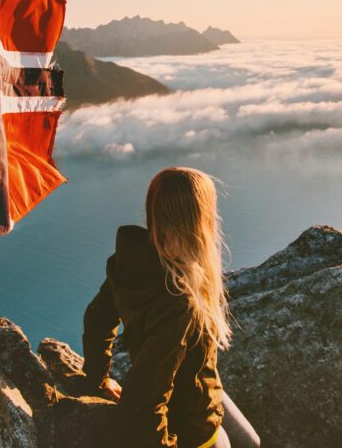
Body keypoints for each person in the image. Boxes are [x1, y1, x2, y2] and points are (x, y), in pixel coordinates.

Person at [82, 167, 261, 448]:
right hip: (193, 421)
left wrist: (98, 378)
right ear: (198, 221)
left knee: (251, 441)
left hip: (198, 383)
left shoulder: (130, 261)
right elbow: (142, 404)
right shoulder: (179, 302)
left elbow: (96, 320)